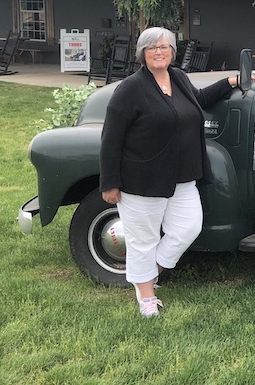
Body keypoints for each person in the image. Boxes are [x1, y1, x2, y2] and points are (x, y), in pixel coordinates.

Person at [99, 27, 239, 317]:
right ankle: (146, 296)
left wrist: (230, 82)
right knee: (142, 240)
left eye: (164, 47)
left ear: (173, 51)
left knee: (188, 227)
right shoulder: (130, 89)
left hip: (183, 177)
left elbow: (197, 100)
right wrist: (110, 182)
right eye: (152, 48)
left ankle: (150, 272)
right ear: (142, 53)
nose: (159, 52)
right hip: (142, 180)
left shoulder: (178, 77)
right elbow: (110, 138)